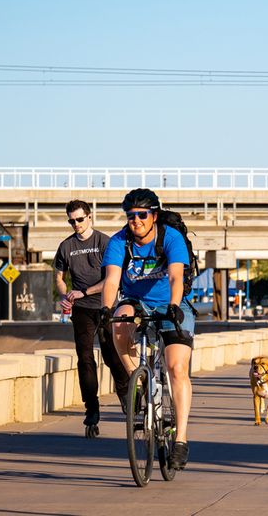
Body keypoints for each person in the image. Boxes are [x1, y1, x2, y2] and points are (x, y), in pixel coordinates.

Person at [100, 188, 195, 470]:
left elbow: (176, 276)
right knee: (119, 319)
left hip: (171, 303)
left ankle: (180, 440)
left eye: (142, 215)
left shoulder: (170, 237)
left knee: (177, 368)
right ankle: (137, 381)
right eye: (131, 216)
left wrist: (175, 305)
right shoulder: (120, 241)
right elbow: (111, 280)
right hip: (137, 301)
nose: (136, 220)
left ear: (153, 215)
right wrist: (106, 309)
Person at [54, 199, 128, 431]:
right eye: (71, 221)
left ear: (89, 217)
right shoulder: (66, 246)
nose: (76, 224)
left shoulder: (105, 242)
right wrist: (65, 295)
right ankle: (92, 409)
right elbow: (58, 278)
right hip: (82, 310)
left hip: (106, 306)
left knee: (112, 357)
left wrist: (85, 291)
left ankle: (126, 396)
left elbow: (110, 279)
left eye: (79, 219)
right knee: (85, 358)